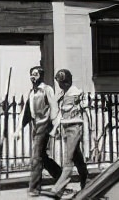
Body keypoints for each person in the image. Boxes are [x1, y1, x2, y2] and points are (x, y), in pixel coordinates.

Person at [22, 65, 61, 197]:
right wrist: (17, 129)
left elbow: (54, 107)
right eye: (31, 74)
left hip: (44, 126)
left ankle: (34, 188)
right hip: (35, 126)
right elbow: (26, 112)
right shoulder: (32, 92)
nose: (33, 77)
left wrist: (56, 126)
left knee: (36, 157)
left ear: (41, 76)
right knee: (42, 156)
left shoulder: (46, 89)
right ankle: (60, 176)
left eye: (35, 74)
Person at [50, 69, 89, 197]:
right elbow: (61, 114)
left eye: (60, 83)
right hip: (66, 128)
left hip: (74, 128)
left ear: (66, 82)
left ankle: (57, 190)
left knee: (68, 160)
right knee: (77, 158)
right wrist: (55, 128)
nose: (59, 85)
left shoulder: (74, 94)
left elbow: (81, 112)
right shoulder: (64, 93)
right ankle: (86, 182)